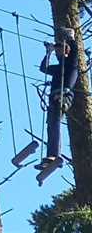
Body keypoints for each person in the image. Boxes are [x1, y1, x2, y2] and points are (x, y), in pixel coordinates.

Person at [35, 26, 80, 168]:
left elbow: (75, 53)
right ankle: (51, 155)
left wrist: (71, 38)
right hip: (54, 98)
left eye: (60, 50)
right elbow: (43, 68)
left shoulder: (71, 65)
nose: (58, 53)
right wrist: (48, 53)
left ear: (66, 51)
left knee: (54, 122)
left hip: (64, 96)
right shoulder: (57, 69)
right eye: (57, 52)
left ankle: (53, 155)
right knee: (52, 125)